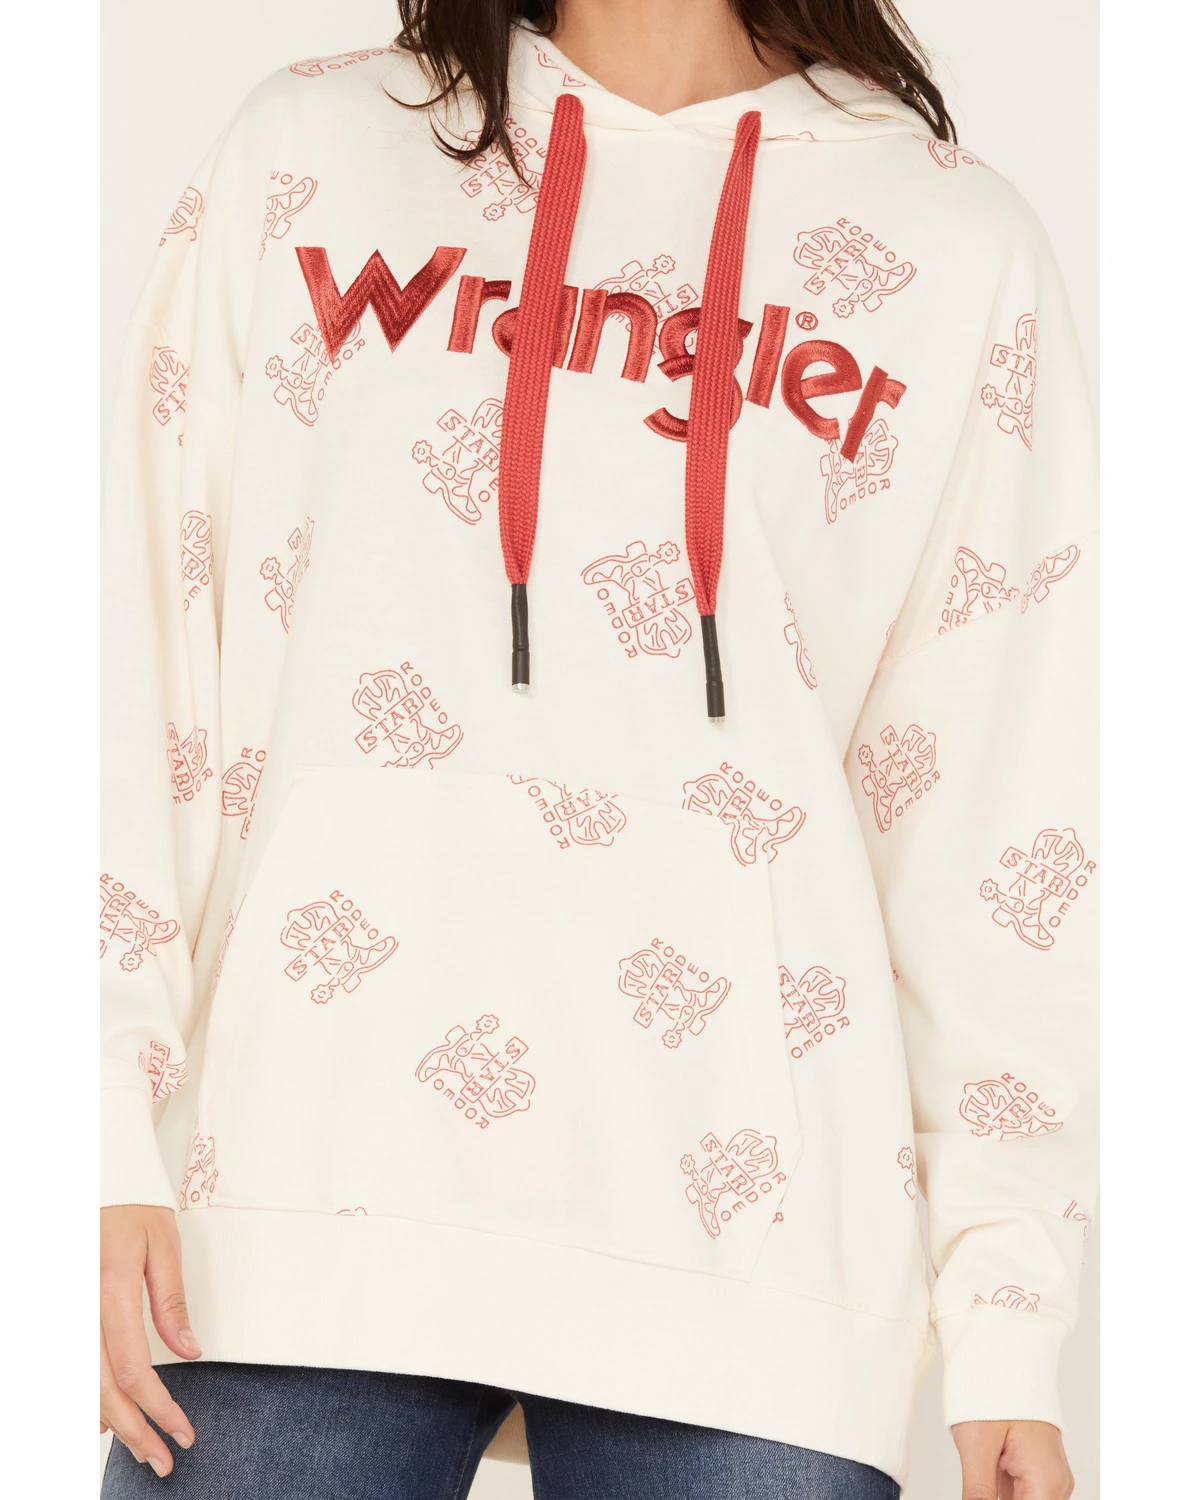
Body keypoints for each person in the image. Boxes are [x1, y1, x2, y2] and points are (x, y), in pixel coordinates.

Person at [99, 1, 1097, 1496]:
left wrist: (1008, 1308)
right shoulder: (313, 151)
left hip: (758, 1259)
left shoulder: (952, 246)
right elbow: (141, 647)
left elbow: (993, 801)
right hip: (303, 1185)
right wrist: (89, 1122)